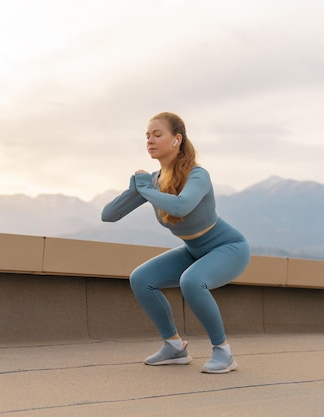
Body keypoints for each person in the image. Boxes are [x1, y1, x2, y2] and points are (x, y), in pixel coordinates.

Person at [101, 112, 250, 374]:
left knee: (192, 281)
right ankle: (174, 347)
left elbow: (181, 207)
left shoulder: (197, 175)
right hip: (194, 250)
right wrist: (134, 188)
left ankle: (224, 352)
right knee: (141, 278)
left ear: (176, 139)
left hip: (228, 248)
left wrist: (146, 189)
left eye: (157, 134)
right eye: (147, 136)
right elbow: (109, 216)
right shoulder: (155, 181)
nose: (150, 140)